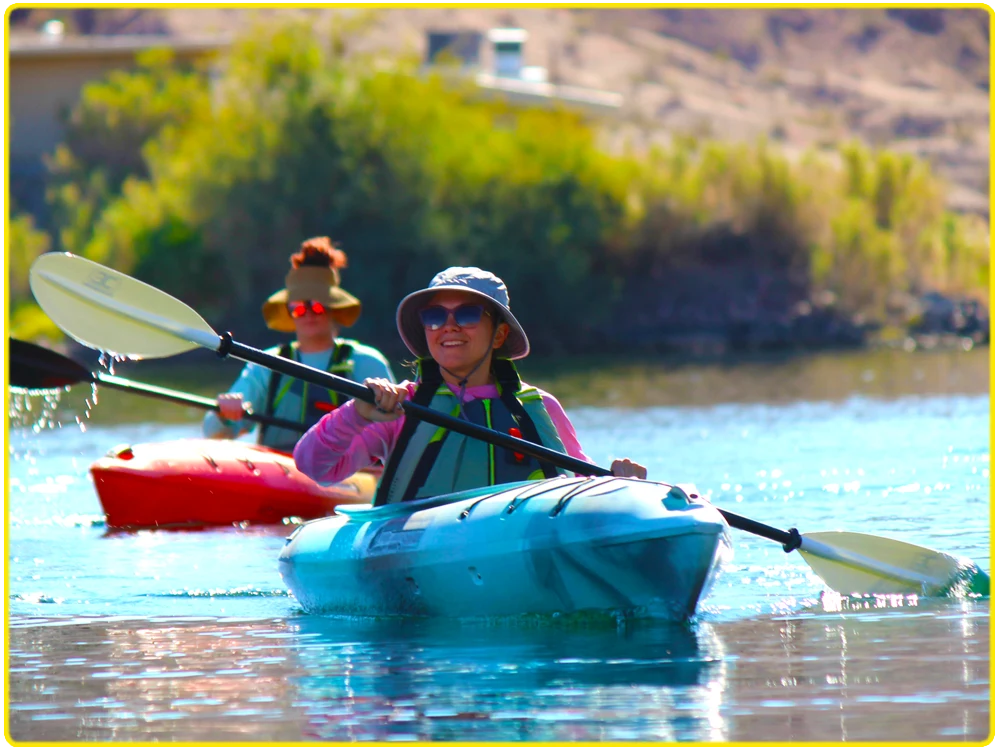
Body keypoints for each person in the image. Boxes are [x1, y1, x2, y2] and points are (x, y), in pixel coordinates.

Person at [294, 266, 646, 505]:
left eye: (467, 315)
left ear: (500, 334)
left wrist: (620, 484)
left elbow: (581, 487)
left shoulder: (540, 406)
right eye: (434, 317)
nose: (449, 327)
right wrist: (357, 413)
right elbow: (313, 467)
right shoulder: (400, 408)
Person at [203, 237, 395, 452]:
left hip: (346, 475)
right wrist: (223, 414)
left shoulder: (366, 362)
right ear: (289, 311)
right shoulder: (267, 363)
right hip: (280, 474)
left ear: (333, 308)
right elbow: (213, 432)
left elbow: (394, 432)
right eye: (299, 307)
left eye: (317, 306)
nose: (308, 313)